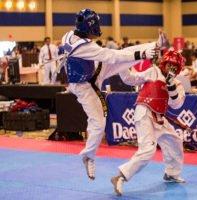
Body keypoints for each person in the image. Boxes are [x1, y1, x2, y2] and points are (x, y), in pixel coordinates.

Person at [61, 9, 161, 181]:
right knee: (99, 124)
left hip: (95, 70)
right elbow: (111, 56)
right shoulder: (85, 47)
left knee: (124, 58)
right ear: (89, 28)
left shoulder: (69, 35)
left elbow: (115, 56)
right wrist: (142, 55)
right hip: (84, 87)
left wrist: (145, 52)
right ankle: (88, 156)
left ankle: (152, 46)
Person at [111, 50, 186, 196]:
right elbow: (130, 79)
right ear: (164, 64)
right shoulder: (153, 72)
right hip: (145, 112)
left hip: (159, 118)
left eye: (175, 67)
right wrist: (121, 63)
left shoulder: (177, 83)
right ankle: (120, 176)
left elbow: (177, 104)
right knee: (148, 150)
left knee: (175, 141)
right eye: (169, 65)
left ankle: (171, 173)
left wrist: (170, 86)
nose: (171, 69)